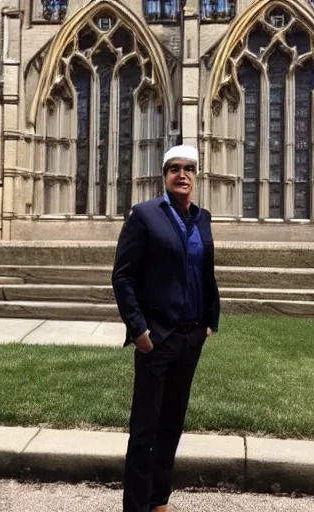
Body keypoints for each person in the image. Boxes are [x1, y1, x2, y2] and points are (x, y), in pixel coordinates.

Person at [112, 144, 220, 512]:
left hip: (191, 337)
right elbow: (123, 276)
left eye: (190, 168)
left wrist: (209, 322)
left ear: (196, 175)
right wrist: (139, 330)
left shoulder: (202, 218)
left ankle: (158, 500)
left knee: (172, 424)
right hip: (156, 338)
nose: (183, 174)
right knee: (145, 429)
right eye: (175, 168)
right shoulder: (144, 215)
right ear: (164, 174)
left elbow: (206, 272)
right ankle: (136, 507)